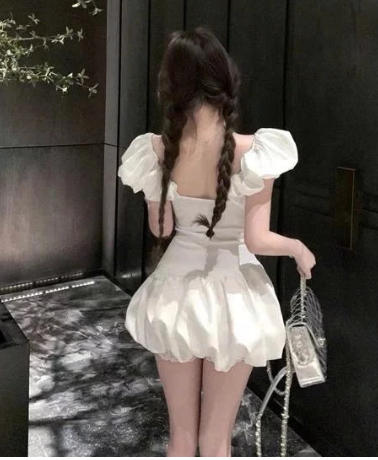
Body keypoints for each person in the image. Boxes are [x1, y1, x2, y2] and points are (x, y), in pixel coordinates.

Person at [117, 27, 316, 458]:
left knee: (181, 437)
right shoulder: (254, 151)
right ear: (226, 80)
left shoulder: (155, 150)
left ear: (171, 87)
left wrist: (158, 188)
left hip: (175, 293)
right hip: (234, 295)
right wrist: (298, 248)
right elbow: (257, 240)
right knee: (215, 440)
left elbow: (162, 229)